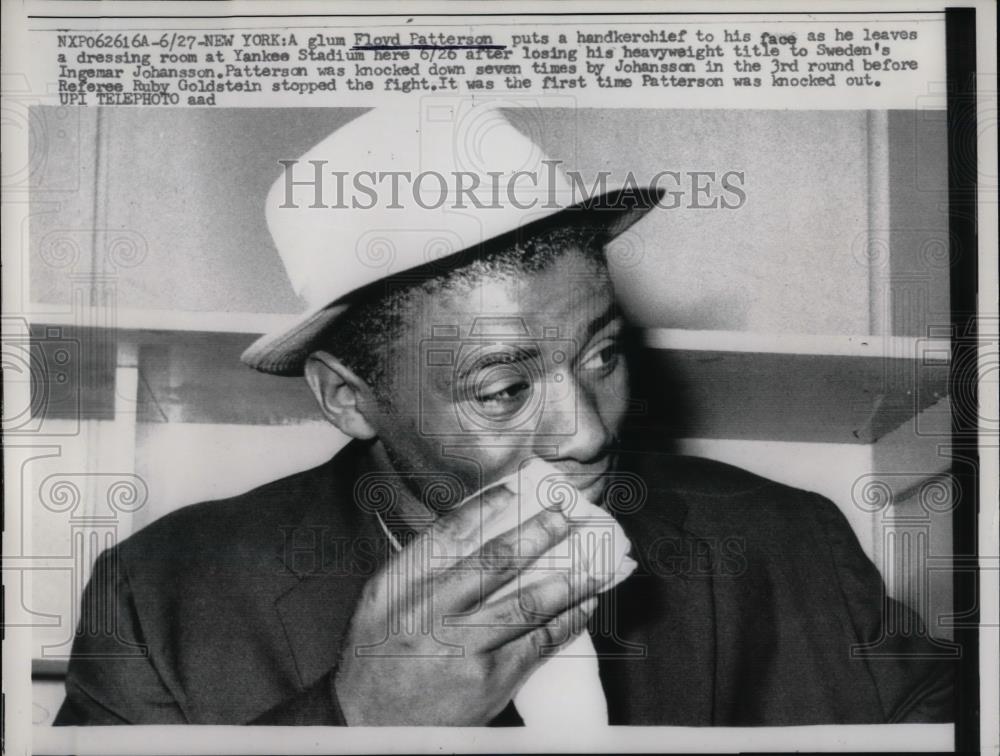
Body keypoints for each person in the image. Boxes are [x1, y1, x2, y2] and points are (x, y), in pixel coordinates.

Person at [55, 104, 954, 727]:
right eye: (502, 390)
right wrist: (356, 722)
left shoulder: (794, 544)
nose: (588, 432)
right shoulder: (160, 599)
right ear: (347, 397)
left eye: (601, 355)